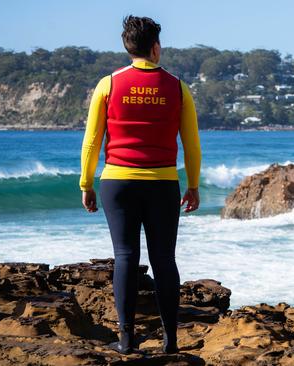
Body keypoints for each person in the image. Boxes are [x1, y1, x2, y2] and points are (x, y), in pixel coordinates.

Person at [79, 15, 201, 354]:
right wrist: (193, 185)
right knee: (164, 259)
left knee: (125, 257)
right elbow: (191, 144)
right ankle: (171, 341)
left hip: (117, 181)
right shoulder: (177, 86)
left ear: (127, 46)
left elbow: (92, 141)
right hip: (162, 183)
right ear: (155, 47)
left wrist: (86, 183)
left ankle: (126, 339)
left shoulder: (108, 84)